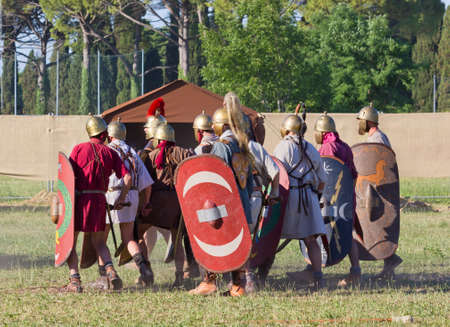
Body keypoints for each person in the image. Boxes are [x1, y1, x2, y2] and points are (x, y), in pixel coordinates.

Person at [189, 92, 253, 297]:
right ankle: (237, 286)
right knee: (234, 246)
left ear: (221, 126)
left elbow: (213, 181)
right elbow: (250, 183)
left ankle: (209, 281)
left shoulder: (220, 147)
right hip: (241, 202)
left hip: (222, 205)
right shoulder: (243, 146)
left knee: (212, 241)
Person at [61, 115, 131, 292]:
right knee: (99, 242)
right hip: (100, 200)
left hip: (80, 201)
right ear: (104, 134)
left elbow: (68, 176)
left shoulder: (78, 149)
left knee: (71, 241)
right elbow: (128, 177)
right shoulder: (110, 152)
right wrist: (121, 199)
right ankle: (111, 271)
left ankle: (75, 281)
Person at [97, 119, 154, 288]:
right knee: (129, 238)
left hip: (111, 196)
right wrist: (146, 202)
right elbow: (148, 184)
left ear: (110, 135)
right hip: (133, 196)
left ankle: (107, 276)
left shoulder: (106, 150)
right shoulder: (132, 152)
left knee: (101, 239)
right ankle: (144, 269)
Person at [273, 113, 326, 288]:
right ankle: (318, 277)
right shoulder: (311, 148)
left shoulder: (283, 147)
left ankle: (261, 275)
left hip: (290, 198)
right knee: (310, 240)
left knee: (272, 237)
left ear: (287, 129)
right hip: (309, 198)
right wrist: (315, 197)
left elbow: (275, 174)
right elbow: (322, 180)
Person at [138, 123, 193, 287]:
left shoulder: (151, 156)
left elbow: (145, 182)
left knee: (138, 232)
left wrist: (145, 203)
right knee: (177, 241)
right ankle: (179, 277)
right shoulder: (183, 152)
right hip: (176, 204)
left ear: (158, 139)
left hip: (156, 203)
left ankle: (146, 271)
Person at [313, 112, 361, 287]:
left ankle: (312, 269)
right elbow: (353, 175)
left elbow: (325, 176)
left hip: (330, 200)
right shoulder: (345, 146)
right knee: (348, 231)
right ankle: (356, 271)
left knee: (316, 230)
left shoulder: (327, 149)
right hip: (346, 197)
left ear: (323, 132)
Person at [357, 104, 402, 278]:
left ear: (367, 121)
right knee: (377, 227)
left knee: (377, 226)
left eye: (361, 121)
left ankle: (389, 260)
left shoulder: (378, 139)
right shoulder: (377, 137)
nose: (359, 124)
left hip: (378, 191)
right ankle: (390, 262)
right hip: (373, 190)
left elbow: (383, 164)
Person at [245, 115, 280, 292]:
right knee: (253, 238)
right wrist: (273, 194)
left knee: (241, 237)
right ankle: (254, 275)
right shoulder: (257, 148)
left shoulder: (231, 146)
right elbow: (274, 172)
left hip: (241, 200)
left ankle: (248, 276)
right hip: (257, 198)